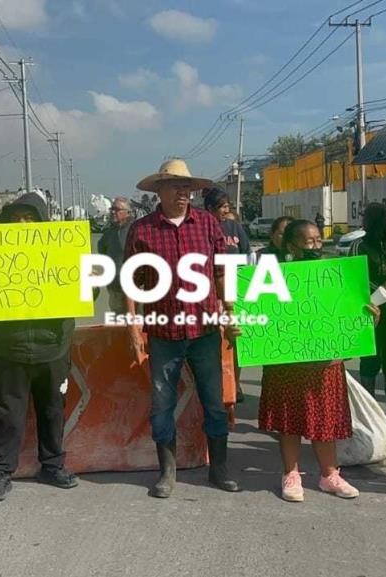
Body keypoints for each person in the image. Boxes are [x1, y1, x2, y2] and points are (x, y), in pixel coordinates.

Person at [0, 193, 81, 503]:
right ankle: (0, 474)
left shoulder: (61, 253)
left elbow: (83, 290)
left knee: (52, 411)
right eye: (16, 217)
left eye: (30, 217)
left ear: (42, 222)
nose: (22, 224)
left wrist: (92, 277)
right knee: (6, 414)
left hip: (53, 347)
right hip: (9, 349)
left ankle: (52, 466)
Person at [126, 158, 241, 499]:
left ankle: (218, 469)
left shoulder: (207, 223)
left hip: (205, 330)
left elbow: (222, 270)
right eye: (176, 187)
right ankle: (167, 471)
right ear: (158, 191)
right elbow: (132, 284)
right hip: (163, 333)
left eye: (188, 188)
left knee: (215, 403)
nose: (183, 194)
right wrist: (134, 328)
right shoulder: (142, 230)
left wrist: (229, 310)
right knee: (162, 405)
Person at [260, 219, 378, 502]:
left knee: (325, 420)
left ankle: (329, 475)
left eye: (317, 241)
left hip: (326, 362)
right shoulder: (271, 277)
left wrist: (369, 318)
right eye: (307, 241)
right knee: (289, 420)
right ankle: (291, 474)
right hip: (287, 363)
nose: (314, 246)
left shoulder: (336, 275)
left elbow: (355, 307)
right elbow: (258, 315)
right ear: (290, 246)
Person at [349, 203, 386, 417]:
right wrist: (382, 290)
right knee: (371, 359)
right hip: (371, 309)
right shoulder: (359, 245)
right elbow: (356, 276)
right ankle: (368, 404)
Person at [203, 187, 250, 402]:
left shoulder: (234, 227)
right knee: (213, 343)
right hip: (209, 295)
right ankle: (214, 387)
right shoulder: (201, 228)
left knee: (236, 340)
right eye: (222, 207)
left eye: (227, 206)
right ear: (210, 209)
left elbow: (247, 255)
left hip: (235, 292)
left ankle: (235, 386)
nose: (226, 210)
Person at [97, 197, 134, 314]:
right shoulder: (109, 232)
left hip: (135, 289)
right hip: (115, 288)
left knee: (139, 325)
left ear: (127, 213)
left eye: (116, 209)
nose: (113, 212)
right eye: (112, 209)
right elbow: (101, 249)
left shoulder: (136, 229)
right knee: (118, 326)